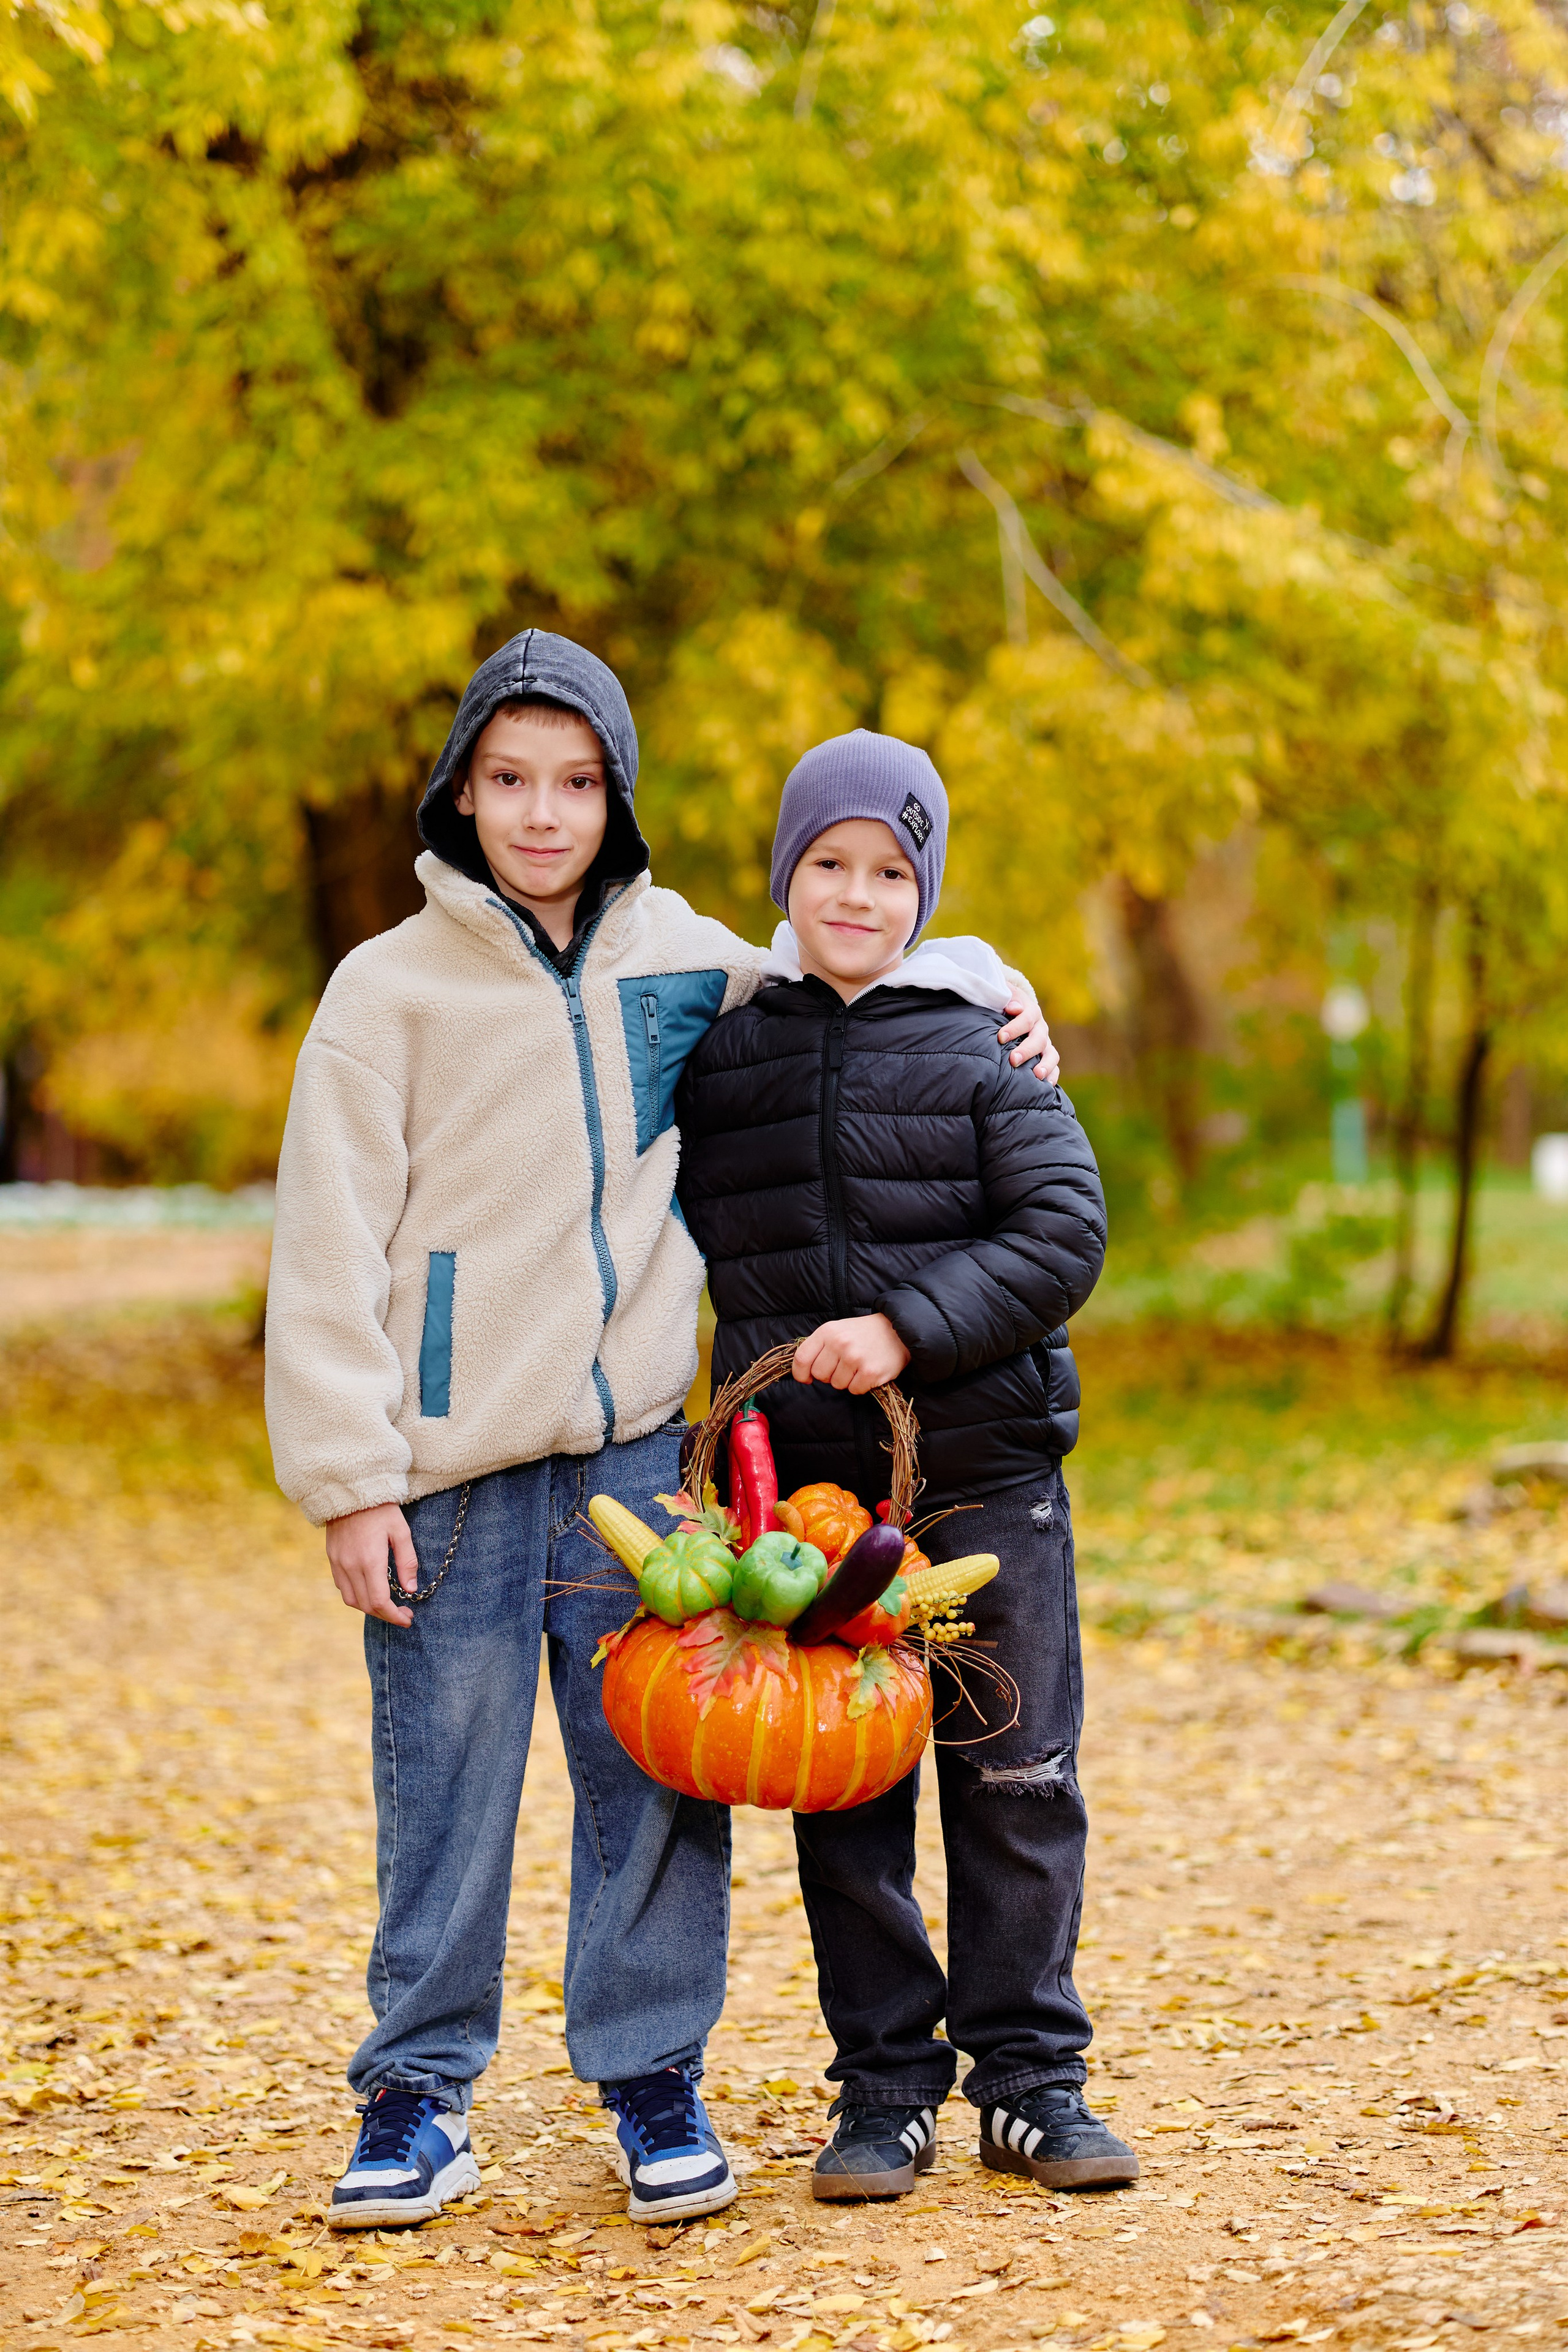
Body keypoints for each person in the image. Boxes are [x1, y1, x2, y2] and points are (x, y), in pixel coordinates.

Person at [263, 632, 1058, 2230]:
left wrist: (993, 986)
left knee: (656, 1785)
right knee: (448, 1787)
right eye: (510, 781)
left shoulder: (681, 954)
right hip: (451, 1468)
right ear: (463, 792)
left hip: (638, 1456)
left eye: (574, 783)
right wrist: (352, 1477)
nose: (542, 814)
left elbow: (850, 955)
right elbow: (326, 1246)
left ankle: (651, 2077)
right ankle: (417, 2095)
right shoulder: (386, 991)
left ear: (615, 796)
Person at [674, 729, 1138, 2199]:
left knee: (1013, 1778)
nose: (857, 896)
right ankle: (882, 2089)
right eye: (829, 865)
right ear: (784, 874)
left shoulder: (979, 1038)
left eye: (889, 870)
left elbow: (1063, 1232)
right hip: (807, 1508)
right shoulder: (725, 1047)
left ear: (925, 887)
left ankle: (1029, 2081)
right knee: (845, 1792)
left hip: (985, 1473)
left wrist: (902, 1327)